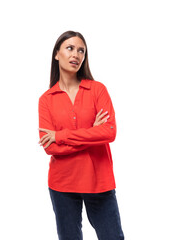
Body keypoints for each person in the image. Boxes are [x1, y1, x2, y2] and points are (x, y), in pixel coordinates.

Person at [38, 30, 124, 240]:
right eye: (70, 48)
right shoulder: (46, 99)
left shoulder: (97, 90)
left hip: (98, 181)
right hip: (62, 184)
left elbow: (109, 132)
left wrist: (61, 135)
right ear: (57, 54)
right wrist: (93, 134)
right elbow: (50, 147)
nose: (76, 54)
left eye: (81, 51)